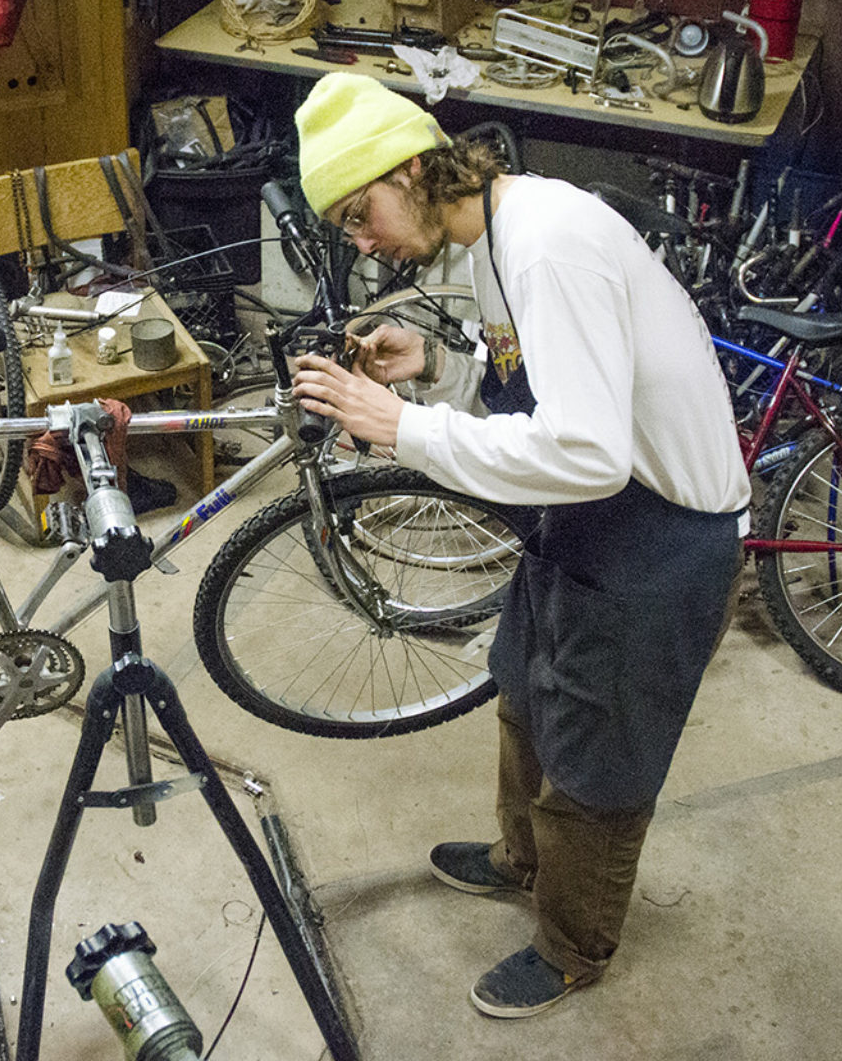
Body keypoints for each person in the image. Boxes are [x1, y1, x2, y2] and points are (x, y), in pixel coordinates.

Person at [288, 73, 751, 1019]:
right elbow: (536, 395)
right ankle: (521, 860)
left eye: (361, 212)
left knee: (597, 761)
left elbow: (585, 452)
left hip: (661, 536)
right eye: (345, 227)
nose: (363, 241)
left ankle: (574, 944)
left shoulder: (545, 243)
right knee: (524, 687)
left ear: (414, 169)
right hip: (589, 520)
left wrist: (401, 428)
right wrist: (440, 372)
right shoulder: (489, 240)